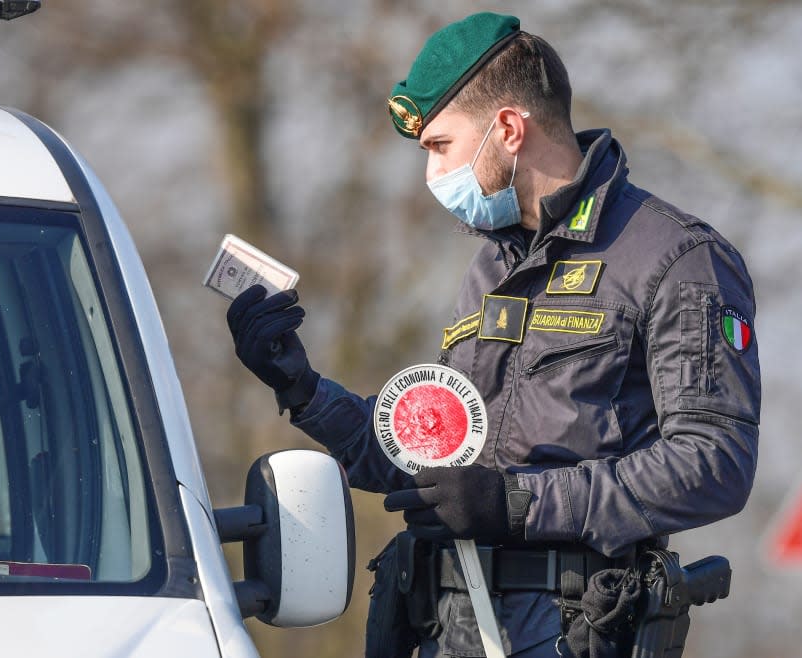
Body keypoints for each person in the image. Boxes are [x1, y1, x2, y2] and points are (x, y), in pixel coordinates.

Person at [226, 12, 759, 658]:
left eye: (440, 147)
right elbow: (436, 463)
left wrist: (520, 503)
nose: (431, 177)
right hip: (445, 629)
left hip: (574, 633)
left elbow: (714, 462)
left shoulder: (673, 257)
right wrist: (304, 389)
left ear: (508, 128)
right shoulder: (491, 267)